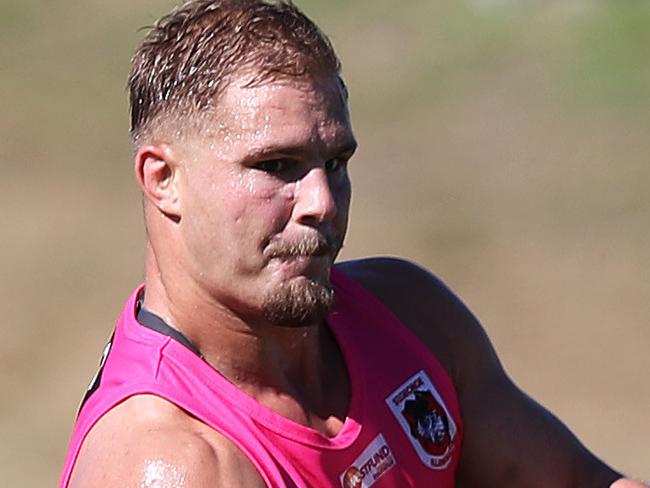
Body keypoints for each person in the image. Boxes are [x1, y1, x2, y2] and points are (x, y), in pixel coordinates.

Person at [60, 1, 646, 487]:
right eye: (277, 165)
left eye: (335, 161)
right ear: (164, 180)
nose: (323, 200)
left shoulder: (411, 316)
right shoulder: (171, 463)